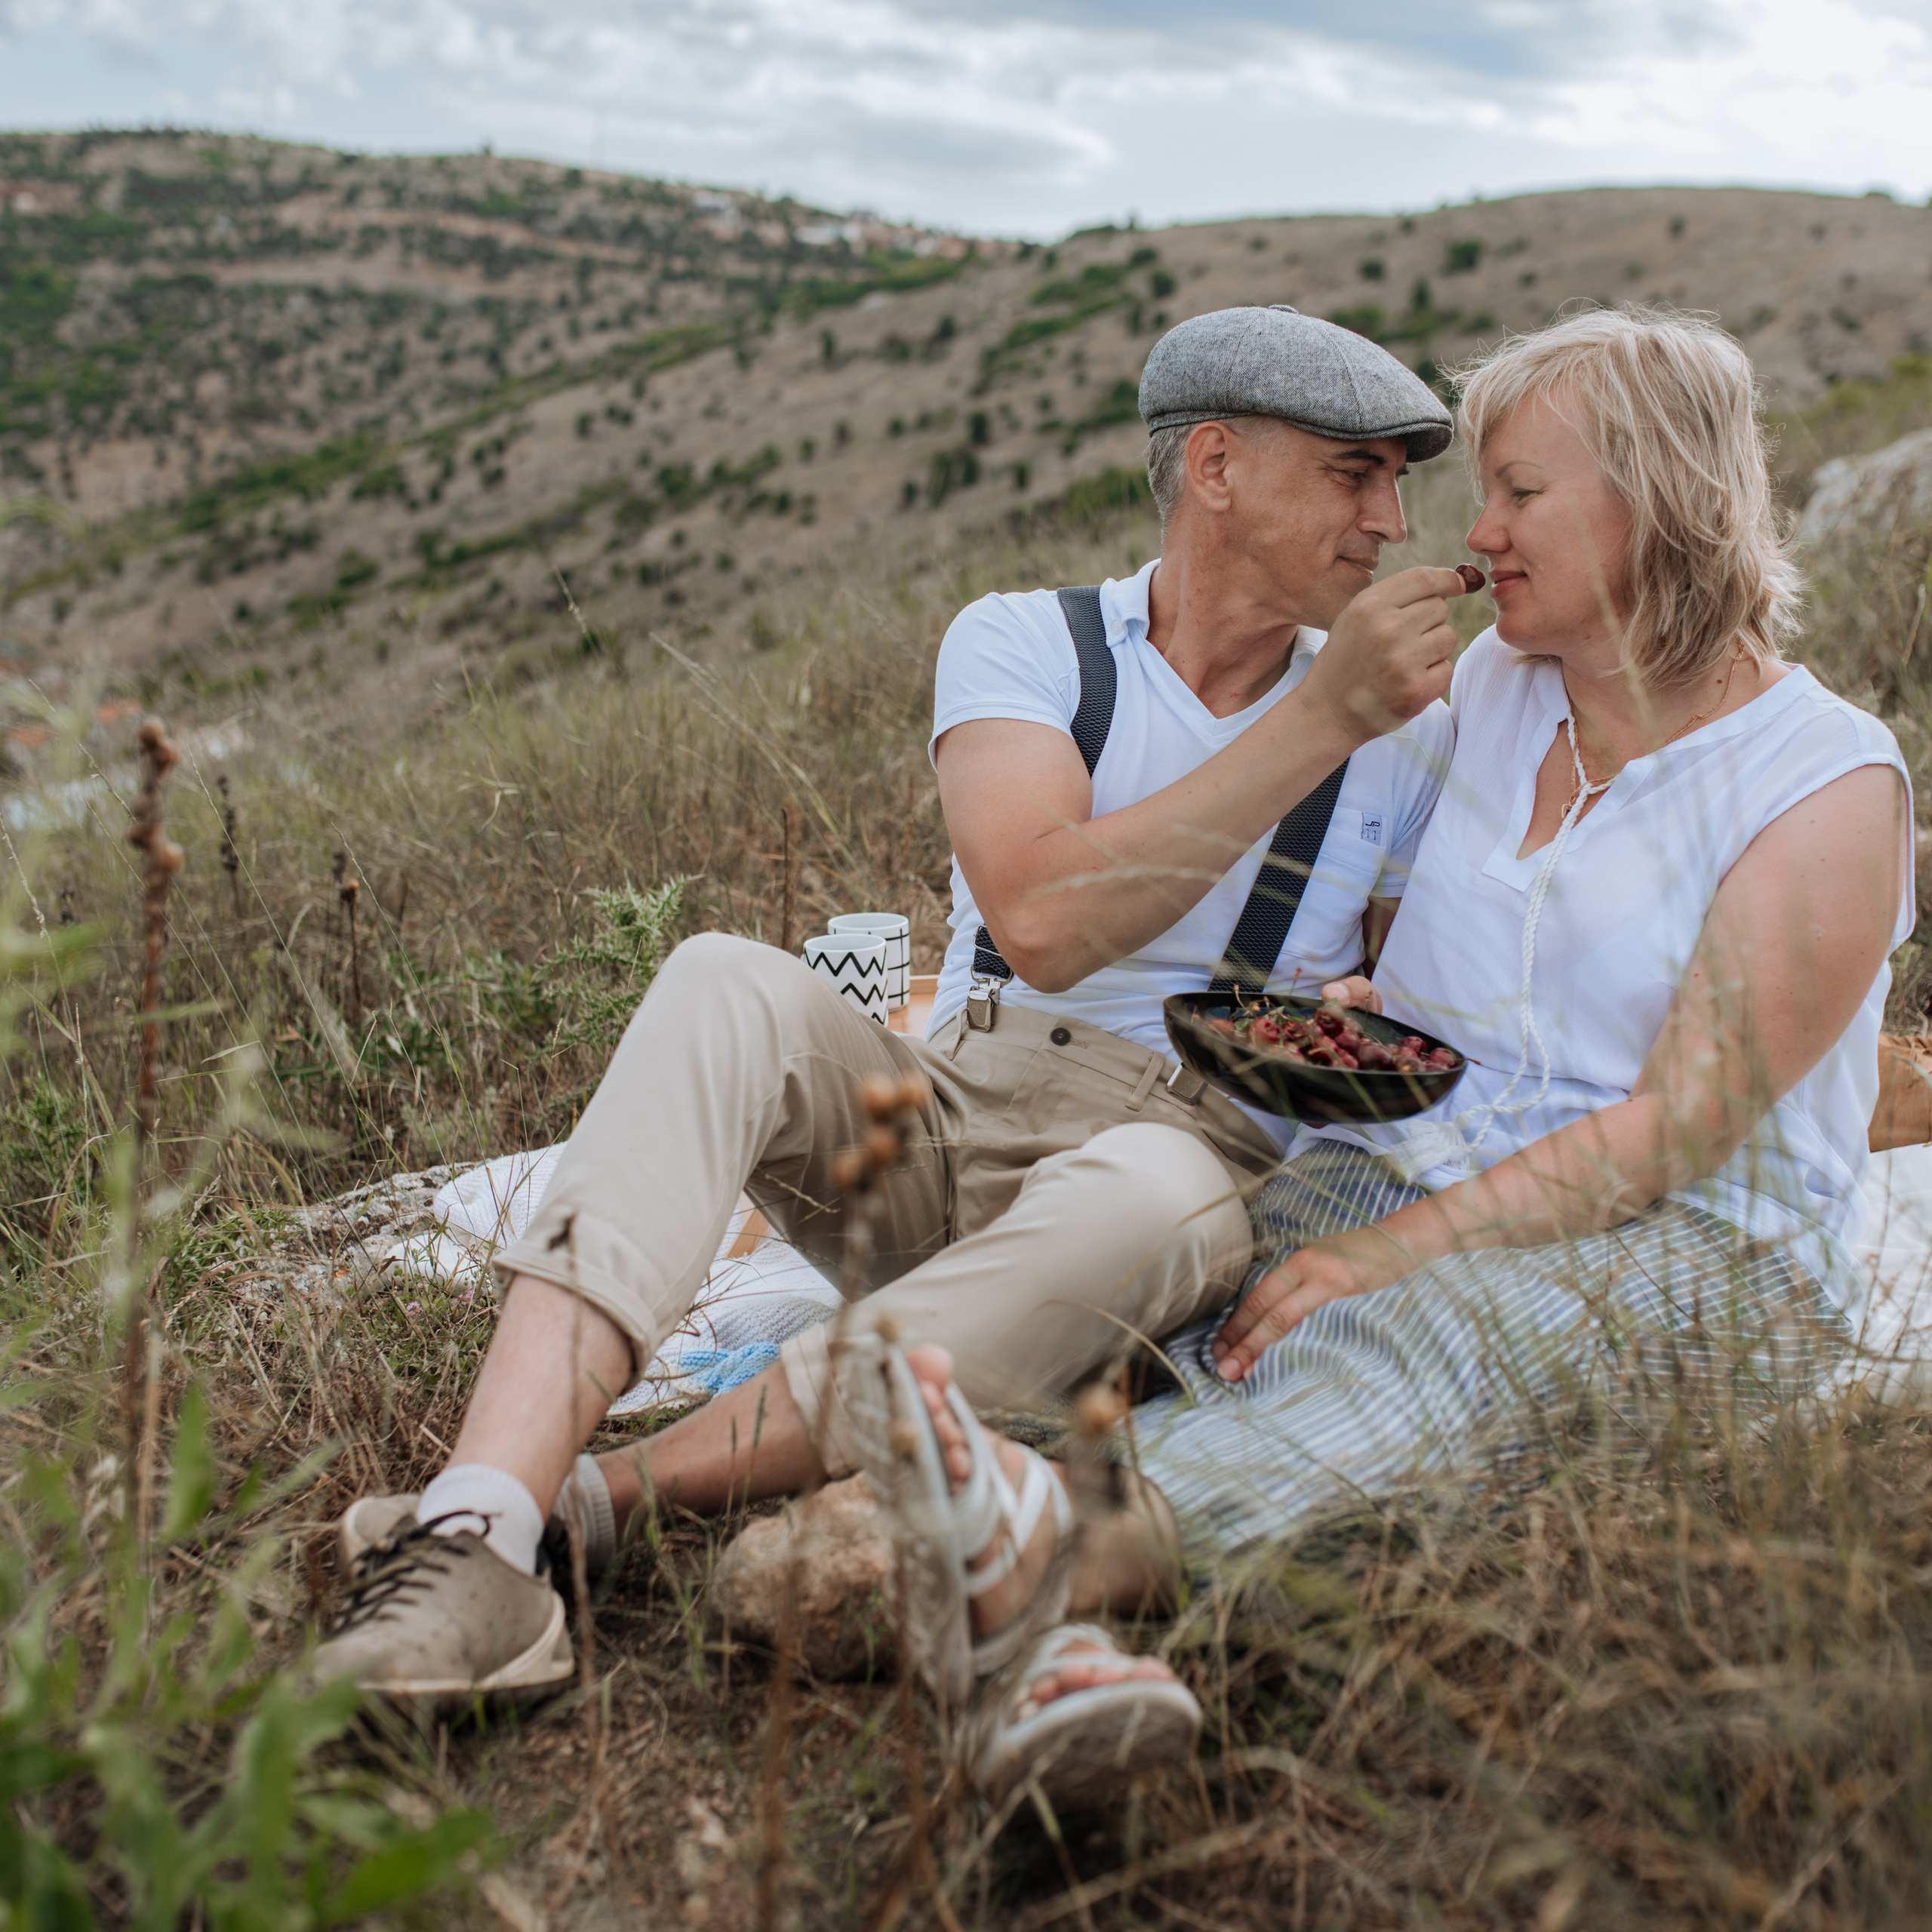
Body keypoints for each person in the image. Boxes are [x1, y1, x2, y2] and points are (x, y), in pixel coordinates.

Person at [311, 306, 1481, 1700]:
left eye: (1400, 482)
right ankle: (478, 1523)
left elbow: (1411, 1004)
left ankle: (603, 1502)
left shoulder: (1414, 735)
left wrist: (1366, 998)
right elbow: (1041, 920)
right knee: (721, 980)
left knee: (1156, 1199)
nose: (1394, 523)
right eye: (1358, 473)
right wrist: (1320, 716)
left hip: (1172, 1172)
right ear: (1218, 465)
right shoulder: (1034, 644)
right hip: (949, 1109)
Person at [838, 305, 1917, 1807]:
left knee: (1441, 1342)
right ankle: (1021, 1573)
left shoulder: (1820, 781)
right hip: (1405, 1148)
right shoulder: (1488, 690)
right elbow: (1380, 925)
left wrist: (1388, 1251)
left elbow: (1675, 1128)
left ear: (1655, 494)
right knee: (1194, 1299)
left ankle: (1047, 1565)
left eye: (1516, 492)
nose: (1471, 531)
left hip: (1684, 1234)